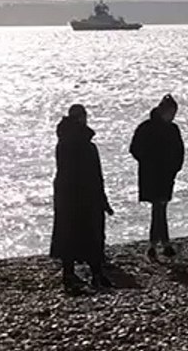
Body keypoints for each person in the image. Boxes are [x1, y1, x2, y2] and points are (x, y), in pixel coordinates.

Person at [50, 104, 114, 290]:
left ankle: (69, 274)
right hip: (86, 195)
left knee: (68, 234)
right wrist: (103, 200)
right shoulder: (86, 146)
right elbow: (95, 175)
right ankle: (96, 273)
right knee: (93, 234)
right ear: (81, 118)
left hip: (65, 195)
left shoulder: (62, 144)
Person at [129, 93, 184, 261]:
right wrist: (149, 162)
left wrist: (174, 167)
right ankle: (160, 244)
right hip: (155, 174)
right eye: (172, 113)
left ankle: (158, 244)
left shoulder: (150, 127)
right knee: (159, 208)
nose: (173, 116)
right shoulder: (151, 128)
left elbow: (179, 152)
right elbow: (135, 149)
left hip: (161, 174)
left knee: (159, 208)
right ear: (164, 111)